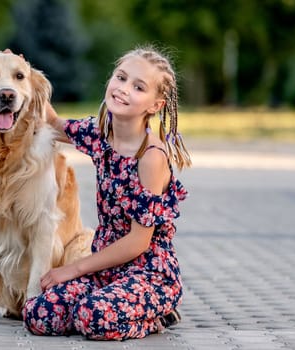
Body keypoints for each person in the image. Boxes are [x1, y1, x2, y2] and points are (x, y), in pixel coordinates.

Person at [22, 45, 192, 341]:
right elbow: (52, 122)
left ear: (155, 105)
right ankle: (108, 308)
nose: (124, 89)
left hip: (149, 274)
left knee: (93, 317)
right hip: (107, 269)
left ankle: (153, 315)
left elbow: (138, 242)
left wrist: (72, 270)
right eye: (121, 78)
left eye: (139, 87)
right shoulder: (101, 134)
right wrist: (23, 70)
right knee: (38, 314)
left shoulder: (151, 157)